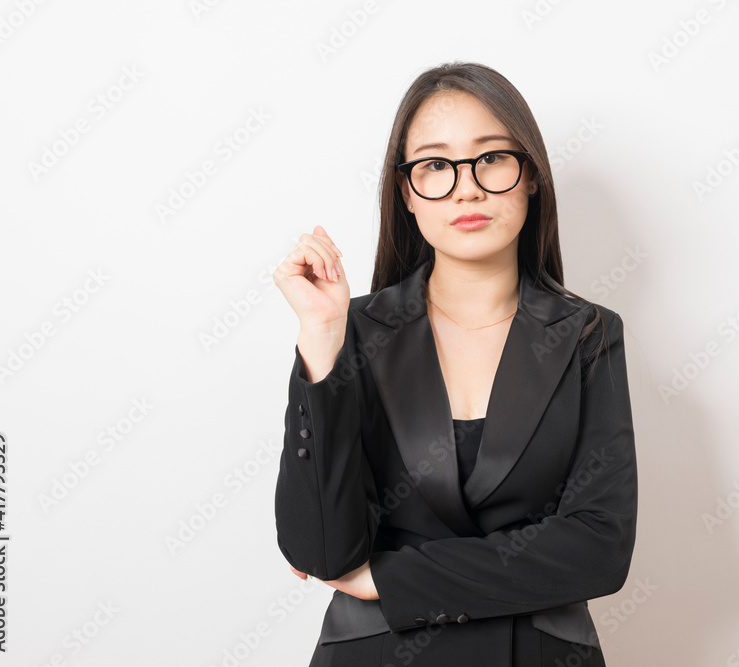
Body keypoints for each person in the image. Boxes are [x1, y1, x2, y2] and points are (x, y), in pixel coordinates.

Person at [273, 61, 638, 667]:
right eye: (436, 165)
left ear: (532, 179)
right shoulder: (355, 330)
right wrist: (322, 336)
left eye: (492, 158)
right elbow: (322, 551)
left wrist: (393, 580)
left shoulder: (588, 336)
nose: (466, 187)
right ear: (407, 194)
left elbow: (599, 548)